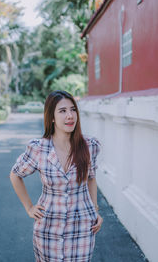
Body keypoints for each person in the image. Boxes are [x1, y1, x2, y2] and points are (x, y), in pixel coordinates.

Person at [10, 90, 103, 262]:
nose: (70, 116)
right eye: (62, 111)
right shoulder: (38, 148)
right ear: (51, 117)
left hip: (82, 226)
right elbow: (15, 175)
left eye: (73, 109)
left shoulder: (89, 146)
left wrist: (95, 209)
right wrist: (29, 207)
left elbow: (90, 178)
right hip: (48, 228)